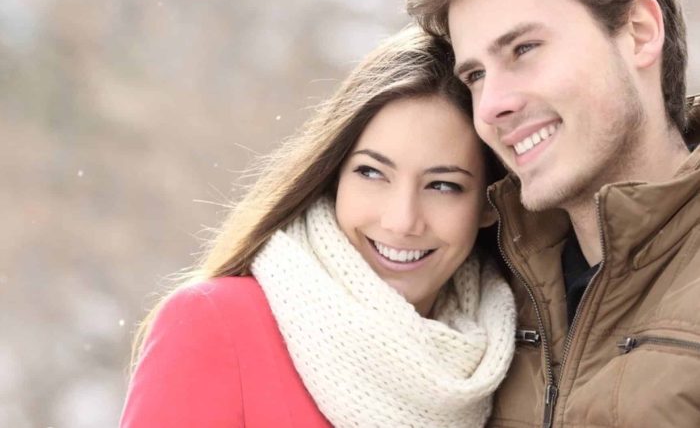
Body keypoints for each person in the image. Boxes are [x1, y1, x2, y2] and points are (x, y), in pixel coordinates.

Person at [406, 0, 700, 426]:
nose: (491, 105)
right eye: (474, 75)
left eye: (524, 49)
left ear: (638, 32)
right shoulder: (474, 300)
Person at [120, 26, 516, 428]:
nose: (402, 220)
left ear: (489, 203)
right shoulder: (213, 322)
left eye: (443, 185)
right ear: (334, 176)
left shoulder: (513, 360)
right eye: (372, 173)